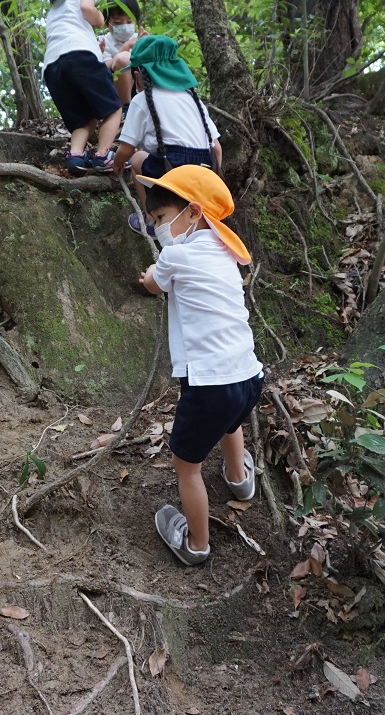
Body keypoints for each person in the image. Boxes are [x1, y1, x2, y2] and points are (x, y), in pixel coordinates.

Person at [136, 165, 264, 565]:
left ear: (193, 212)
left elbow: (157, 282)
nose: (157, 227)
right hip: (249, 376)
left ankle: (196, 544)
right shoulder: (225, 249)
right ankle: (240, 482)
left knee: (186, 465)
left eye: (159, 219)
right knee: (231, 422)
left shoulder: (176, 254)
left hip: (208, 385)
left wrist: (149, 278)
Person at [112, 36, 222, 235]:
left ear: (139, 75)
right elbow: (217, 148)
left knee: (137, 158)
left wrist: (116, 163)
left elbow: (126, 149)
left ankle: (151, 219)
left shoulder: (142, 100)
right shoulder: (192, 98)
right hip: (203, 169)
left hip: (171, 167)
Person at [41, 0, 124, 175]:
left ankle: (76, 157)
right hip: (79, 56)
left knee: (83, 119)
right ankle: (103, 155)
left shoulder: (54, 8)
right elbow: (87, 8)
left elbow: (62, 36)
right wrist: (100, 18)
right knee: (113, 108)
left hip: (52, 68)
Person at [98, 0, 144, 110]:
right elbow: (106, 67)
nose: (124, 26)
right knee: (124, 59)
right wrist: (126, 46)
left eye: (129, 21)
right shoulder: (103, 41)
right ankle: (126, 108)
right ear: (107, 24)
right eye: (118, 23)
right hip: (114, 88)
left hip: (140, 87)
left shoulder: (138, 38)